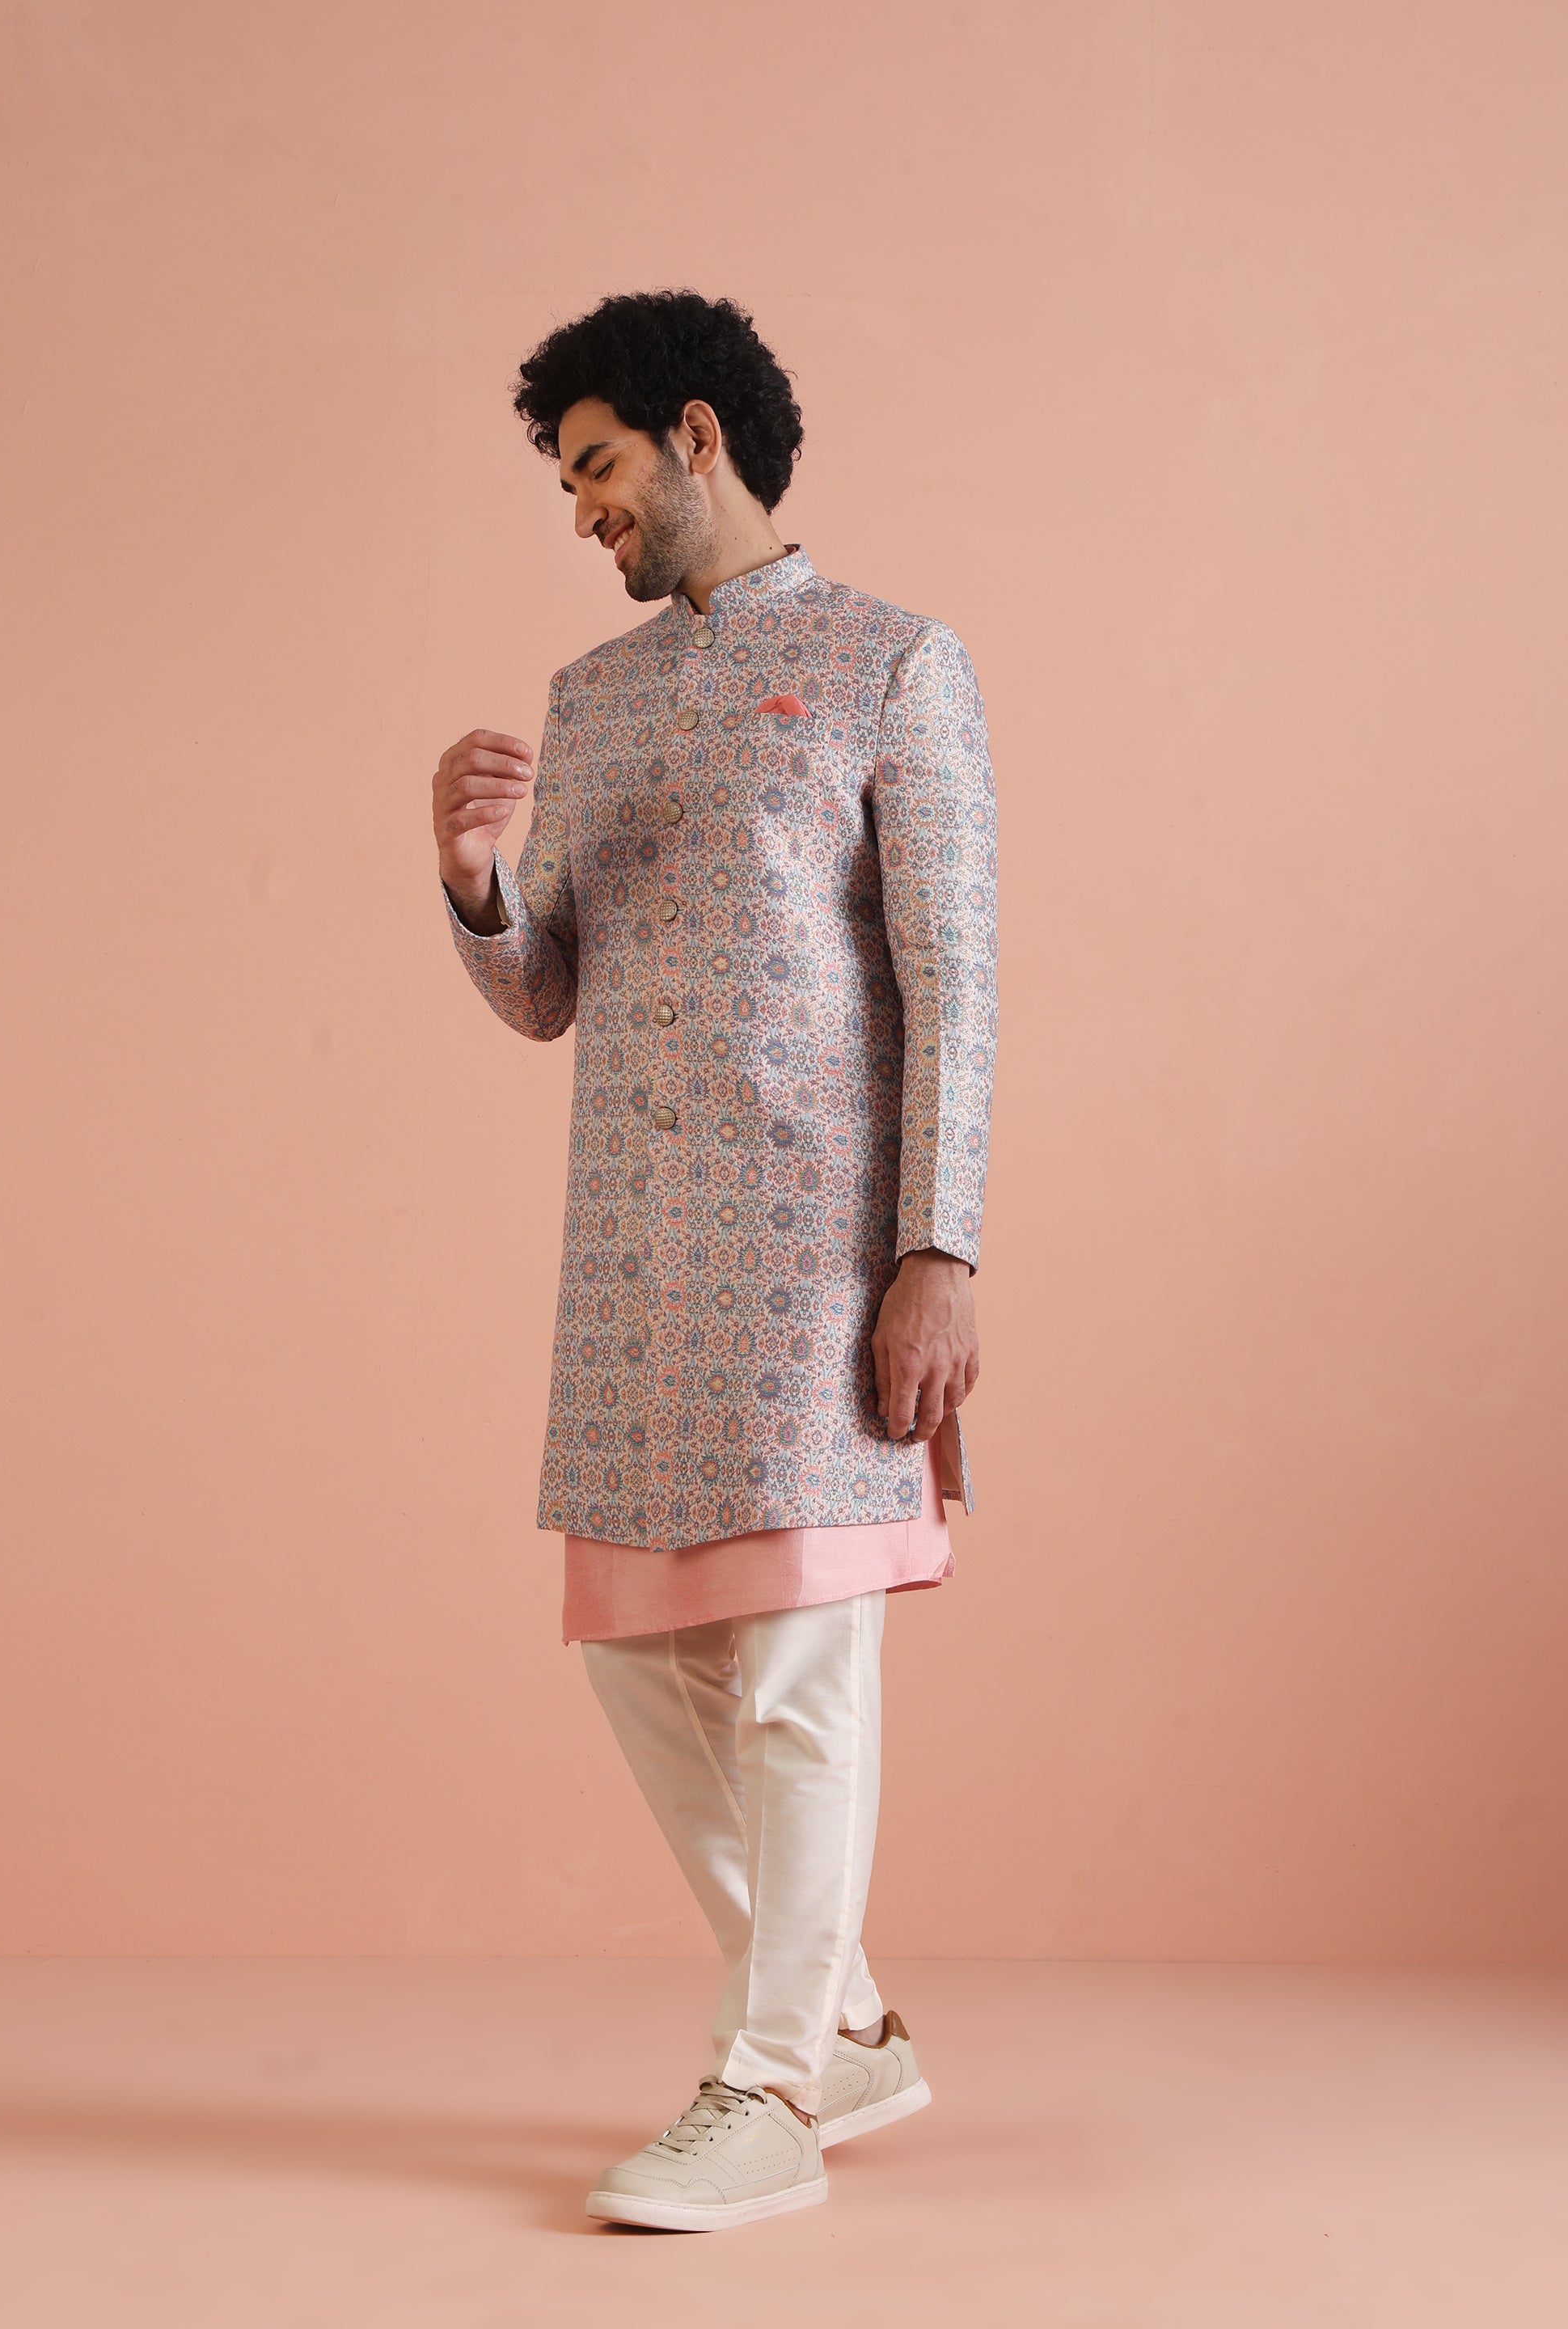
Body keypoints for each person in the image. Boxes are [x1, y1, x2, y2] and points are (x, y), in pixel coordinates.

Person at [430, 291, 997, 2232]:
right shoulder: (592, 698)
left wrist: (938, 1248)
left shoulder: (889, 662)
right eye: (564, 484)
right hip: (631, 1266)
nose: (581, 509)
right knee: (636, 1653)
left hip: (819, 1257)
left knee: (801, 1669)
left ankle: (767, 2091)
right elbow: (545, 995)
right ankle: (838, 2018)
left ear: (694, 433)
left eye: (594, 466)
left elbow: (953, 981)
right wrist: (477, 883)